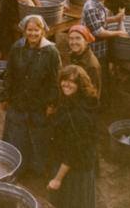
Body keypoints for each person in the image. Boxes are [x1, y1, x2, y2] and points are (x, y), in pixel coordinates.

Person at [1, 15, 61, 178]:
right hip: (19, 100)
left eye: (36, 30)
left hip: (39, 103)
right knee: (17, 134)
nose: (33, 34)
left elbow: (55, 81)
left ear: (43, 31)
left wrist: (51, 104)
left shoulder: (51, 52)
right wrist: (5, 96)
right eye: (29, 30)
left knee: (38, 135)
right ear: (24, 31)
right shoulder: (17, 47)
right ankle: (18, 168)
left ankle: (37, 169)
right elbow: (9, 73)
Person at [47, 65, 99, 208]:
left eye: (72, 81)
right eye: (64, 80)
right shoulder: (77, 100)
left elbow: (73, 151)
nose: (66, 84)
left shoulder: (78, 114)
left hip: (75, 169)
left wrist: (58, 179)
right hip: (79, 161)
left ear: (80, 85)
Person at [81, 0, 127, 106]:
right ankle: (94, 105)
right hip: (93, 49)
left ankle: (102, 101)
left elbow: (102, 20)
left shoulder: (99, 3)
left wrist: (116, 18)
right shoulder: (90, 7)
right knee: (95, 78)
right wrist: (118, 33)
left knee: (103, 75)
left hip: (101, 47)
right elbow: (98, 32)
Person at [68, 25, 101, 98]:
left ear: (86, 41)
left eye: (78, 38)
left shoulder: (92, 65)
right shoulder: (72, 56)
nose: (74, 42)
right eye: (71, 39)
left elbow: (94, 94)